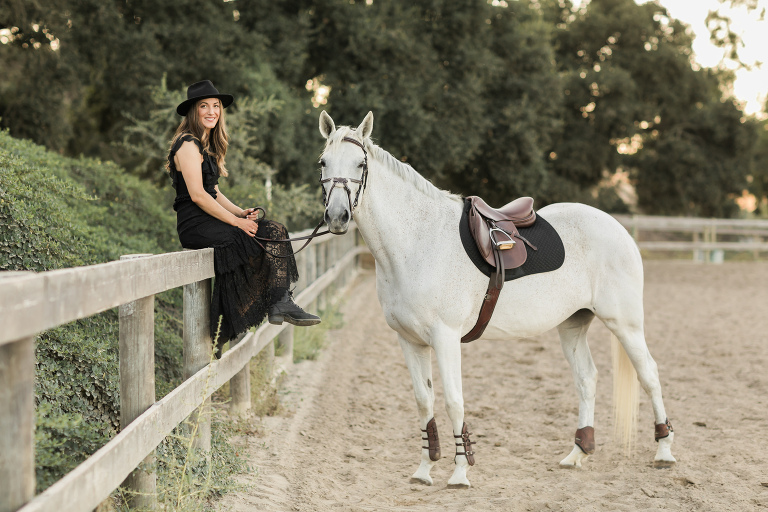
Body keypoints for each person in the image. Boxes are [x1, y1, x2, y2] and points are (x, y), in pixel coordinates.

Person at [167, 80, 320, 354]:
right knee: (261, 236)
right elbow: (199, 196)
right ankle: (250, 314)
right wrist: (237, 222)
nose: (212, 111)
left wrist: (240, 212)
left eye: (216, 106)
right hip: (195, 225)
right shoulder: (187, 145)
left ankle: (280, 301)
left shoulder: (203, 145)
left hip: (209, 219)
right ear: (193, 112)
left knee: (274, 229)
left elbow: (213, 191)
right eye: (204, 106)